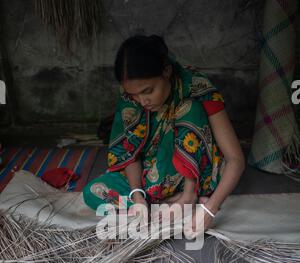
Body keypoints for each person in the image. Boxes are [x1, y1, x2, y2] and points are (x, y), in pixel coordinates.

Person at [83, 35, 246, 232]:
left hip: (197, 174)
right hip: (152, 174)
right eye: (134, 95)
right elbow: (130, 154)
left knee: (189, 108)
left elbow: (235, 160)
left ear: (166, 71)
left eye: (148, 90)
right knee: (93, 192)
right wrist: (137, 196)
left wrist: (210, 210)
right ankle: (161, 203)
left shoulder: (196, 87)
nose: (142, 101)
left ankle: (188, 196)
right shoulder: (130, 98)